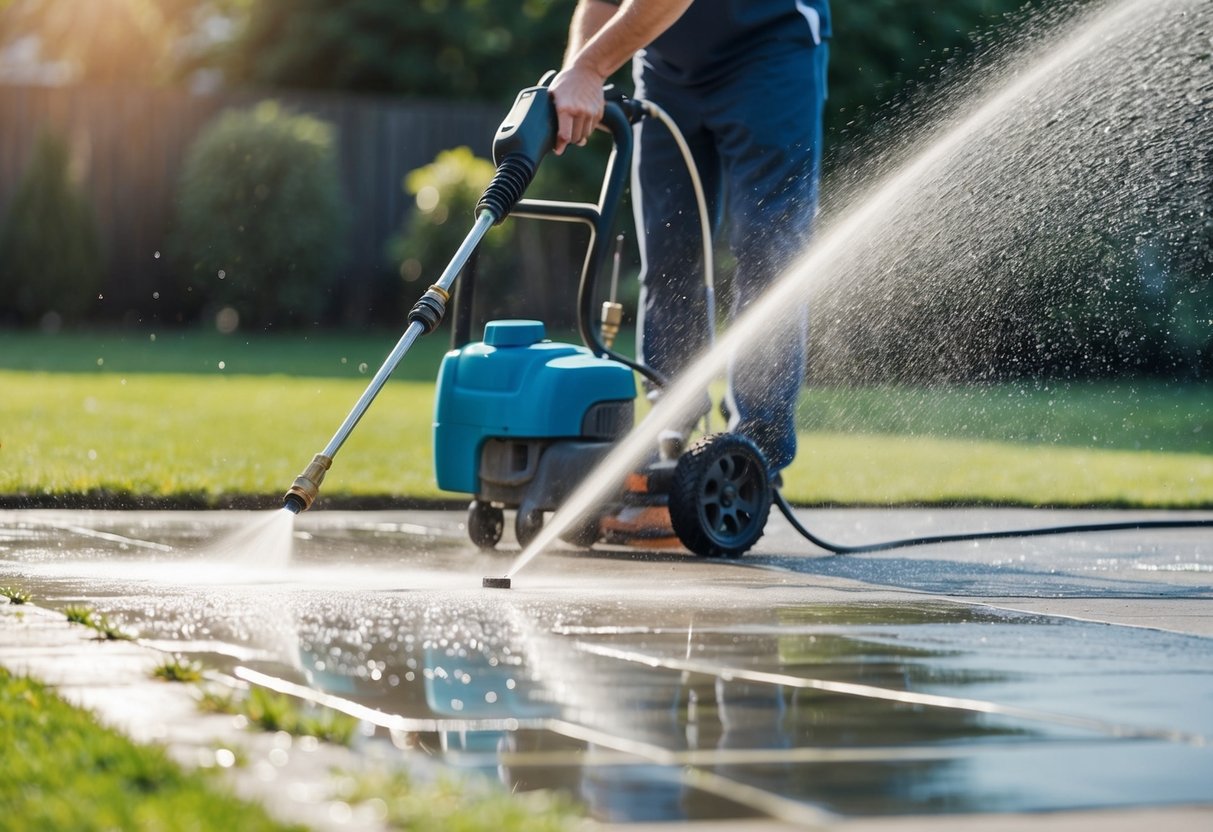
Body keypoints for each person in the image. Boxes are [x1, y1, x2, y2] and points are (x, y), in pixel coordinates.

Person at [549, 0, 830, 488]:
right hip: (665, 67)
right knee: (667, 254)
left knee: (769, 253)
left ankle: (752, 458)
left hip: (770, 47)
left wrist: (590, 68)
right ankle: (670, 437)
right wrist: (575, 71)